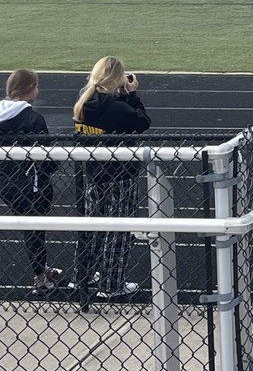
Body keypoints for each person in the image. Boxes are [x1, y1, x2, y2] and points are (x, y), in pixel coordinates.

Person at [74, 57, 150, 299]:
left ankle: (83, 277)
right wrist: (131, 95)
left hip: (93, 174)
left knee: (91, 226)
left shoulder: (83, 104)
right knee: (119, 229)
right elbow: (142, 122)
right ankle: (111, 283)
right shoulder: (117, 107)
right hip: (120, 175)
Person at [1, 69, 62, 296]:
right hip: (30, 183)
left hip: (4, 181)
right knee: (35, 229)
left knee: (29, 227)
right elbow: (44, 156)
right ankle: (40, 277)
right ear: (31, 88)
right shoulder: (33, 119)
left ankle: (41, 269)